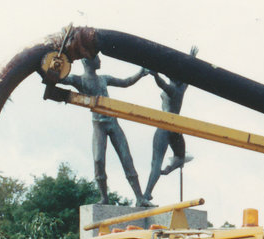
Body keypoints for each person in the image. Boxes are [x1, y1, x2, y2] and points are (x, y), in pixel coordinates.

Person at [62, 55, 149, 205]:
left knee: (126, 158)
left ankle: (140, 198)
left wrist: (141, 73)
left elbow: (126, 82)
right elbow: (61, 79)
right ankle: (104, 197)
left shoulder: (103, 79)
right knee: (98, 160)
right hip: (98, 125)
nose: (100, 61)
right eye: (97, 58)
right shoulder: (79, 80)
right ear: (87, 62)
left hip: (113, 123)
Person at [143, 45, 198, 202]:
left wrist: (155, 75)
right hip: (176, 127)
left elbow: (162, 85)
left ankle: (147, 193)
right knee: (180, 158)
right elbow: (188, 74)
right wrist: (191, 59)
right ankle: (166, 170)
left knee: (156, 162)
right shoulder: (182, 88)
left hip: (165, 125)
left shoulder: (173, 89)